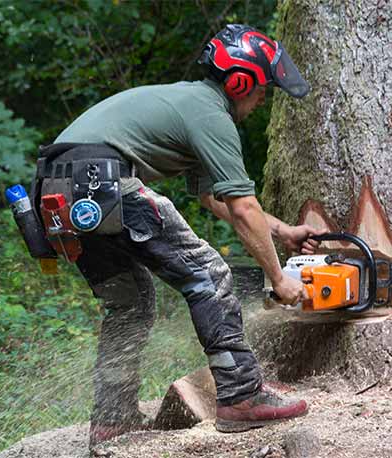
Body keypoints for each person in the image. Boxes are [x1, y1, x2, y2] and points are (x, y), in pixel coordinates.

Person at [38, 24, 322, 449]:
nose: (264, 97)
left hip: (56, 190)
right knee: (208, 272)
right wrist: (279, 279)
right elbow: (243, 208)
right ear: (240, 80)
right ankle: (242, 395)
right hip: (103, 179)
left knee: (130, 303)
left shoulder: (190, 105)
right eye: (263, 87)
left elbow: (217, 199)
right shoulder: (209, 113)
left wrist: (282, 233)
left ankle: (112, 419)